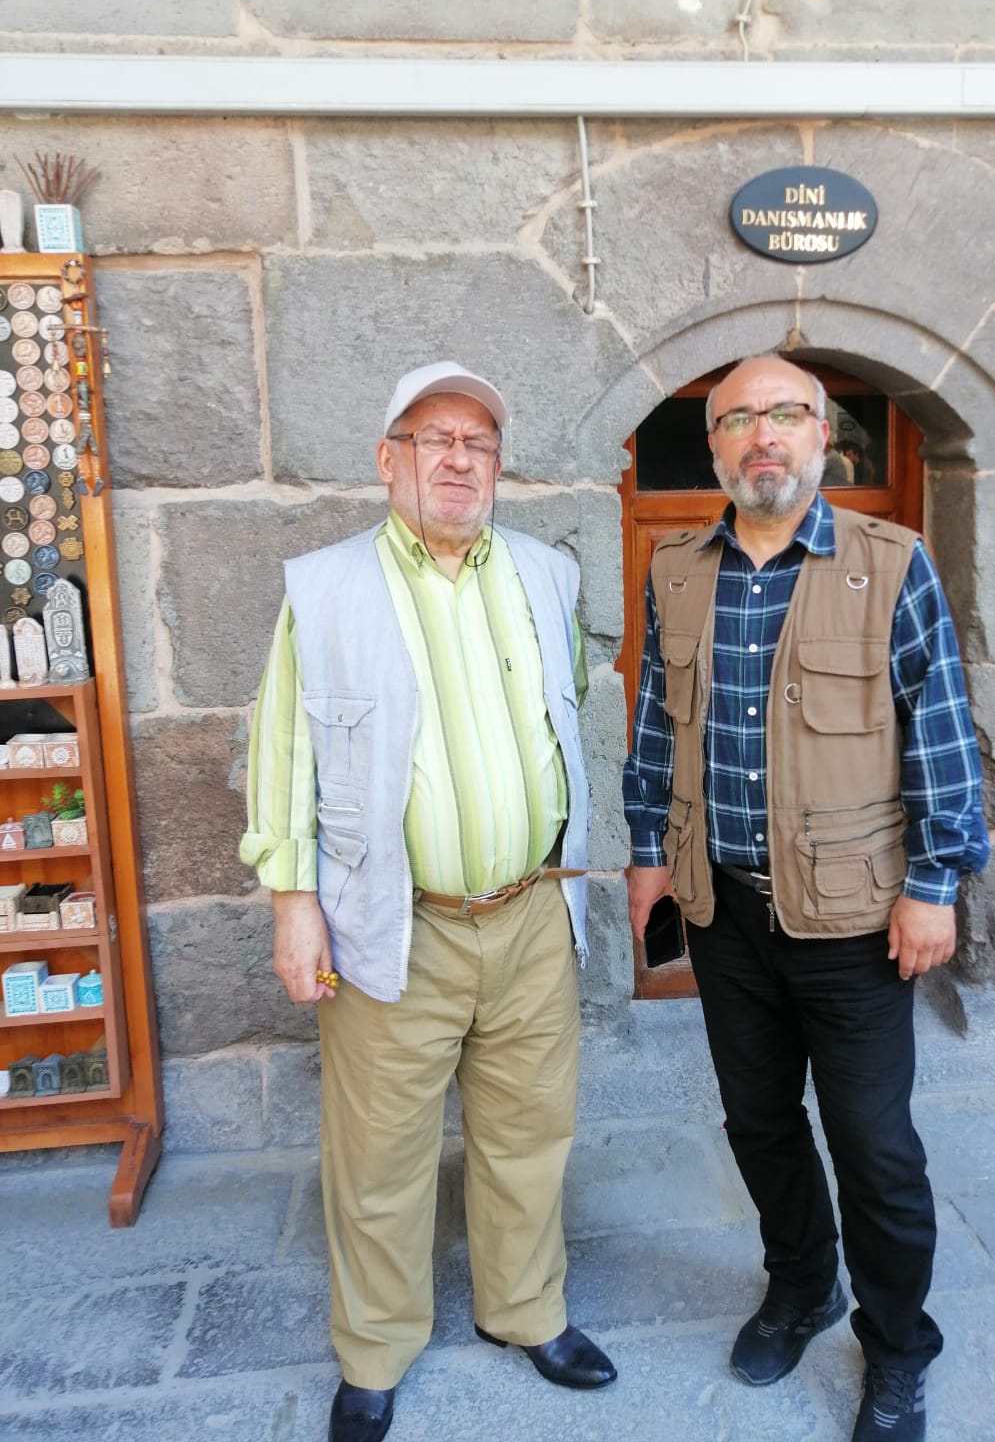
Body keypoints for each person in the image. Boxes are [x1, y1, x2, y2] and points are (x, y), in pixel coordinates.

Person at [241, 361, 616, 1442]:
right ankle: (374, 1350)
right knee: (379, 1154)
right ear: (388, 460)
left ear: (497, 466)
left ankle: (525, 1309)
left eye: (479, 443)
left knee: (529, 1130)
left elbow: (560, 721)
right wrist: (293, 901)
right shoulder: (325, 589)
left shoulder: (546, 573)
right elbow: (284, 750)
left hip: (532, 911)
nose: (460, 460)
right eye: (435, 439)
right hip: (392, 919)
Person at [623, 354, 988, 1442]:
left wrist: (934, 884)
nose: (763, 435)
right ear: (716, 446)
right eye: (738, 418)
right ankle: (800, 1284)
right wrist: (648, 851)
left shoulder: (890, 561)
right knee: (759, 1120)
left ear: (824, 436)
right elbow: (658, 724)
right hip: (724, 909)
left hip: (854, 919)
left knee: (875, 1148)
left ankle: (898, 1346)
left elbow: (941, 729)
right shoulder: (678, 570)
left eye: (786, 413)